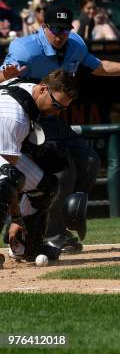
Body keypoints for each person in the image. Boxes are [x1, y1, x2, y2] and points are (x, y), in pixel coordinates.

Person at [0, 5, 120, 251]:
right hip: (25, 117)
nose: (61, 35)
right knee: (62, 172)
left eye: (65, 29)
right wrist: (2, 75)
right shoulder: (24, 49)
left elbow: (99, 66)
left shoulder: (75, 44)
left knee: (90, 161)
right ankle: (47, 233)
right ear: (44, 27)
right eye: (55, 30)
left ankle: (64, 218)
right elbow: (4, 81)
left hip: (53, 117)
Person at [0, 69, 79, 262]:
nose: (57, 111)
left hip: (3, 147)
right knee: (9, 181)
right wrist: (16, 218)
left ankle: (29, 247)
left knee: (46, 186)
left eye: (62, 108)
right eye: (56, 104)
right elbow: (8, 172)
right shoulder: (14, 116)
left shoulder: (26, 87)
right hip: (3, 149)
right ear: (43, 89)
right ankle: (17, 227)